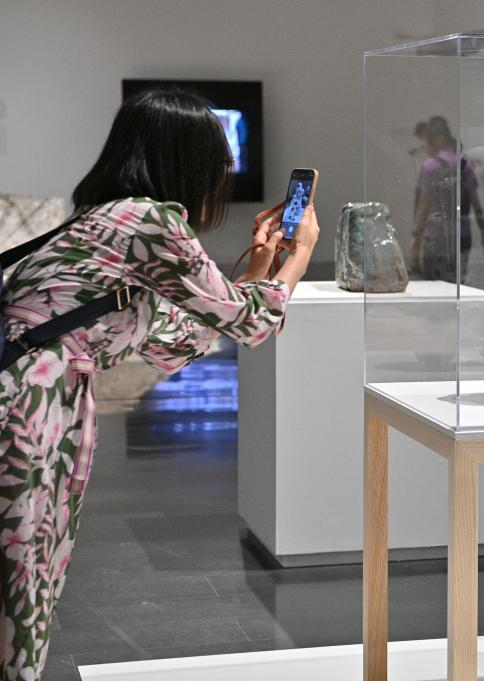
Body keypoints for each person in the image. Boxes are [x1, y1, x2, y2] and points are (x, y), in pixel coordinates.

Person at [0, 88, 320, 679]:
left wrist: (257, 267)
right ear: (186, 159)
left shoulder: (106, 219)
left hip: (36, 397)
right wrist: (298, 257)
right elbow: (250, 324)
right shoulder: (151, 221)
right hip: (29, 408)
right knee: (21, 576)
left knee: (25, 571)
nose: (221, 174)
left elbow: (172, 339)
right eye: (216, 160)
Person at [410, 116, 484, 282]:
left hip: (436, 236)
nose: (423, 146)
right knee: (458, 284)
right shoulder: (465, 165)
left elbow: (423, 208)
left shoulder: (429, 166)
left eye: (425, 141)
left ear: (434, 140)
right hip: (463, 235)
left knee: (434, 290)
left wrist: (416, 243)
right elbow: (476, 204)